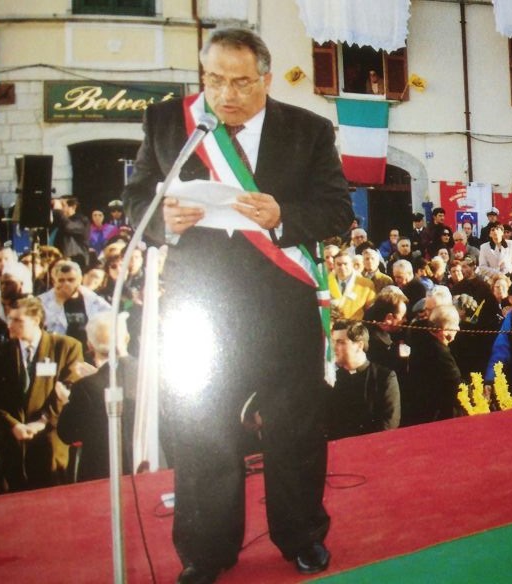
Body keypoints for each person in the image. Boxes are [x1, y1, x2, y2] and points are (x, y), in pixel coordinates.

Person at [123, 28, 352, 582]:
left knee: (294, 428)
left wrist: (283, 216)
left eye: (241, 82)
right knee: (201, 429)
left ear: (266, 79)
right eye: (214, 80)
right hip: (199, 306)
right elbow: (136, 199)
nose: (226, 94)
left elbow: (337, 209)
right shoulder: (168, 123)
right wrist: (161, 220)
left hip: (282, 303)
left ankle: (302, 536)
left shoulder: (307, 130)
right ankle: (205, 551)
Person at [0, 296, 85, 494]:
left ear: (36, 320)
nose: (10, 325)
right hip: (12, 449)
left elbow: (69, 390)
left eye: (18, 320)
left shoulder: (66, 347)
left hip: (49, 447)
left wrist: (42, 421)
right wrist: (13, 425)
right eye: (9, 319)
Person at [57, 311, 138, 482]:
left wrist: (66, 401)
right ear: (127, 338)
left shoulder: (85, 387)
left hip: (104, 475)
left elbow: (67, 433)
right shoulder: (151, 371)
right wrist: (98, 375)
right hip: (149, 469)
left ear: (90, 345)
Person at [324, 320, 399, 440]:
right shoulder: (333, 379)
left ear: (359, 345)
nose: (334, 347)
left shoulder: (384, 377)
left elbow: (389, 424)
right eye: (333, 341)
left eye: (341, 342)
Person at [401, 305, 463, 426]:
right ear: (445, 331)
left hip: (416, 407)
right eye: (455, 325)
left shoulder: (418, 337)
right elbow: (456, 384)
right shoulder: (441, 355)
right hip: (435, 415)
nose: (458, 329)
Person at [38, 260, 112, 354]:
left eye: (71, 280)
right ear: (54, 282)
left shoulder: (93, 300)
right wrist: (58, 303)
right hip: (57, 352)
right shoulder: (42, 302)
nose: (66, 284)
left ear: (79, 280)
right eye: (61, 280)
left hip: (87, 353)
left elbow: (110, 318)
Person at [51, 196, 91, 269]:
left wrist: (58, 211)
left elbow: (69, 227)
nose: (60, 208)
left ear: (73, 207)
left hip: (75, 262)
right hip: (59, 260)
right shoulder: (58, 221)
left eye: (63, 205)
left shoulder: (82, 220)